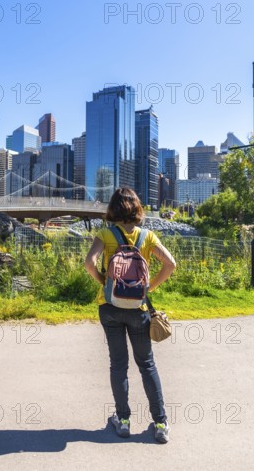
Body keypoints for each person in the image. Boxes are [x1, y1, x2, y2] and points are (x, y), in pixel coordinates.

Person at [85, 187, 176, 443]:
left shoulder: (105, 233)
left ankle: (123, 420)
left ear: (113, 209)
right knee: (147, 364)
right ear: (137, 209)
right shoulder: (147, 236)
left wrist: (104, 281)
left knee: (118, 364)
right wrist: (148, 288)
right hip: (139, 308)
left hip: (110, 305)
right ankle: (160, 424)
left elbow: (88, 262)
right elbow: (171, 264)